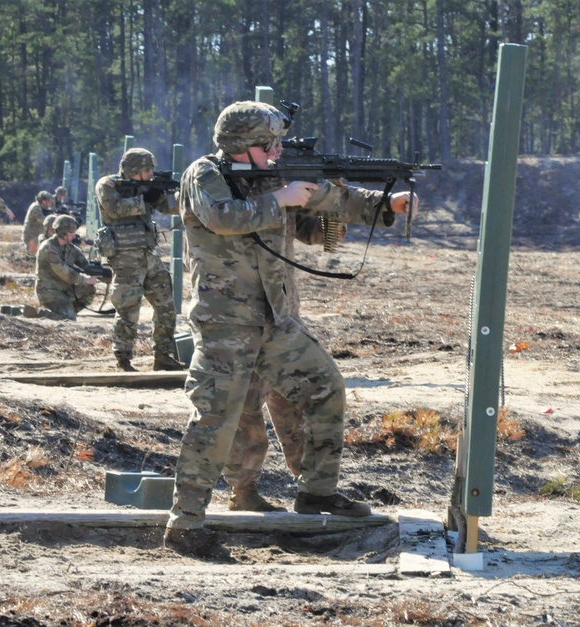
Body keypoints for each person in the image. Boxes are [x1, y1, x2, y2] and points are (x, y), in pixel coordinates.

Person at [166, 101, 420, 553]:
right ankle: (185, 525)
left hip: (277, 321)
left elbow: (328, 214)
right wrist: (280, 200)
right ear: (247, 146)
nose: (280, 152)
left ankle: (316, 492)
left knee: (326, 388)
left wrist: (386, 204)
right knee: (215, 418)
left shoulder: (276, 178)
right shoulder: (203, 175)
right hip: (226, 325)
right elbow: (222, 217)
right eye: (272, 145)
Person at [225, 215, 347, 512]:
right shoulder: (222, 182)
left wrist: (332, 201)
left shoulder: (287, 188)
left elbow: (323, 236)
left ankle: (314, 491)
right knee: (244, 408)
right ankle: (243, 492)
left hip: (283, 319)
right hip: (236, 319)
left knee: (298, 405)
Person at [94, 148, 184, 372]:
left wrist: (172, 192)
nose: (150, 174)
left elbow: (171, 208)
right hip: (125, 256)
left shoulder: (149, 186)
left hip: (148, 254)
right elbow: (114, 209)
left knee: (166, 305)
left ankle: (163, 355)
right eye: (146, 170)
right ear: (133, 169)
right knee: (128, 308)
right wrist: (144, 198)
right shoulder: (108, 185)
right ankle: (123, 359)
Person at [25, 215, 98, 320]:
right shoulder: (48, 248)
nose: (74, 236)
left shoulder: (70, 248)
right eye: (71, 233)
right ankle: (41, 313)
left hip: (64, 290)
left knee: (89, 290)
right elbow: (63, 271)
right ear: (63, 233)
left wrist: (100, 271)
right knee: (68, 317)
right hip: (49, 292)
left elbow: (85, 265)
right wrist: (85, 280)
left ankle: (66, 311)